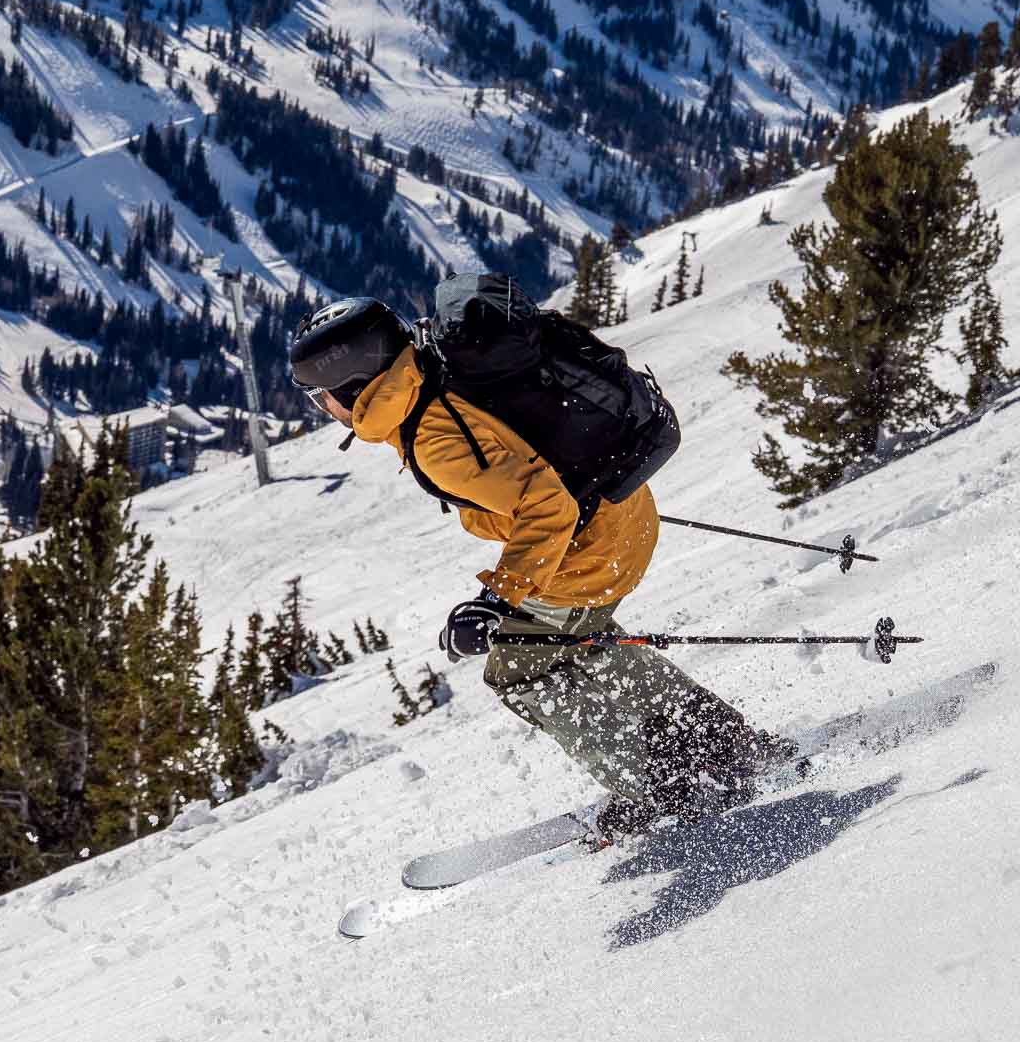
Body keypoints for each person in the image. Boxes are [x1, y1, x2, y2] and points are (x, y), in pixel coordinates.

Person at [289, 296, 790, 836]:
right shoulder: (432, 371)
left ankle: (662, 787)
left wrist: (496, 601)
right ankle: (719, 742)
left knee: (518, 668)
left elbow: (548, 508)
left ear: (353, 387)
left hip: (588, 552)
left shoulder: (434, 437)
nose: (323, 409)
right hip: (619, 515)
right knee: (580, 641)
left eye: (320, 397)